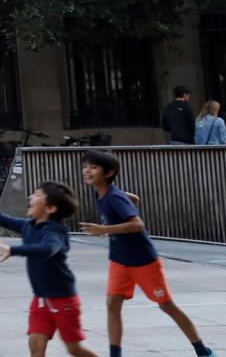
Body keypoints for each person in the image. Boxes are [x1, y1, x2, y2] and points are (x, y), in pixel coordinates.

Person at [77, 149, 216, 357]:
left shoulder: (113, 197)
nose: (87, 170)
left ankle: (203, 351)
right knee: (112, 304)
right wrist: (113, 222)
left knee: (166, 305)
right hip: (119, 259)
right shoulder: (100, 191)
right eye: (86, 166)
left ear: (109, 172)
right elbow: (134, 198)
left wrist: (105, 229)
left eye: (93, 167)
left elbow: (137, 224)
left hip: (143, 261)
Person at [0, 183, 95, 356]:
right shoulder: (29, 225)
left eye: (37, 195)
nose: (30, 197)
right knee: (36, 348)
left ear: (50, 208)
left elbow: (47, 249)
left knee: (74, 349)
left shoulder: (55, 232)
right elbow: (1, 218)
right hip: (40, 300)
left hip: (63, 301)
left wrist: (14, 250)